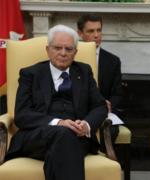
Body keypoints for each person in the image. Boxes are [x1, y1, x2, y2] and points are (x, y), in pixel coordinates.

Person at [5, 25, 108, 180]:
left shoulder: (84, 72)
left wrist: (85, 125)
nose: (63, 53)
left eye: (68, 49)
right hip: (37, 136)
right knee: (65, 136)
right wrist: (58, 122)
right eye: (57, 48)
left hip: (78, 137)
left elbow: (100, 107)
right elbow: (22, 114)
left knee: (63, 145)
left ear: (75, 52)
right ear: (48, 49)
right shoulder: (30, 74)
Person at [77, 14, 123, 148]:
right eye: (91, 31)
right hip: (76, 112)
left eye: (99, 30)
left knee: (111, 130)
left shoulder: (113, 61)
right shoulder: (70, 57)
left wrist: (109, 104)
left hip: (103, 114)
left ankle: (102, 163)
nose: (96, 35)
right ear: (80, 33)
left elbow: (118, 94)